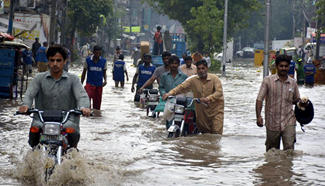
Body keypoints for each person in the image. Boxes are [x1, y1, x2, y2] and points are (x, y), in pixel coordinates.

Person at [18, 45, 91, 148]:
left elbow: (82, 96)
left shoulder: (73, 79)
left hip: (67, 121)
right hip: (42, 120)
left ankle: (71, 156)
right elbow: (29, 94)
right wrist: (25, 106)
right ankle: (34, 155)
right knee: (34, 128)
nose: (55, 64)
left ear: (65, 61)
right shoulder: (39, 78)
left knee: (72, 133)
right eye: (52, 60)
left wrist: (84, 108)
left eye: (58, 60)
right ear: (48, 61)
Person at [163, 60, 224, 134]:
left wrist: (208, 98)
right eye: (199, 69)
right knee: (205, 133)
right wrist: (169, 93)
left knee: (216, 133)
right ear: (196, 70)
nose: (201, 71)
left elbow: (219, 92)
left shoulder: (215, 78)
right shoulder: (193, 80)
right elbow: (181, 87)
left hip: (215, 110)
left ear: (207, 68)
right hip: (202, 111)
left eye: (203, 68)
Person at [256, 54, 301, 152]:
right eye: (281, 66)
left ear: (289, 67)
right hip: (272, 122)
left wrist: (304, 104)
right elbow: (260, 99)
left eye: (286, 66)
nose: (283, 68)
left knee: (289, 150)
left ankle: (286, 167)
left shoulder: (293, 83)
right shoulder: (268, 81)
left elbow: (297, 100)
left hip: (289, 121)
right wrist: (258, 116)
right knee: (272, 152)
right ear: (277, 67)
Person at [81, 45, 107, 110]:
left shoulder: (104, 61)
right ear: (93, 52)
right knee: (87, 104)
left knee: (97, 106)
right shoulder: (88, 60)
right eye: (96, 53)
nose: (98, 55)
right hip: (89, 84)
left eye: (99, 53)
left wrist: (105, 80)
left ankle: (95, 117)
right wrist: (81, 84)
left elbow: (104, 72)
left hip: (99, 85)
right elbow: (84, 73)